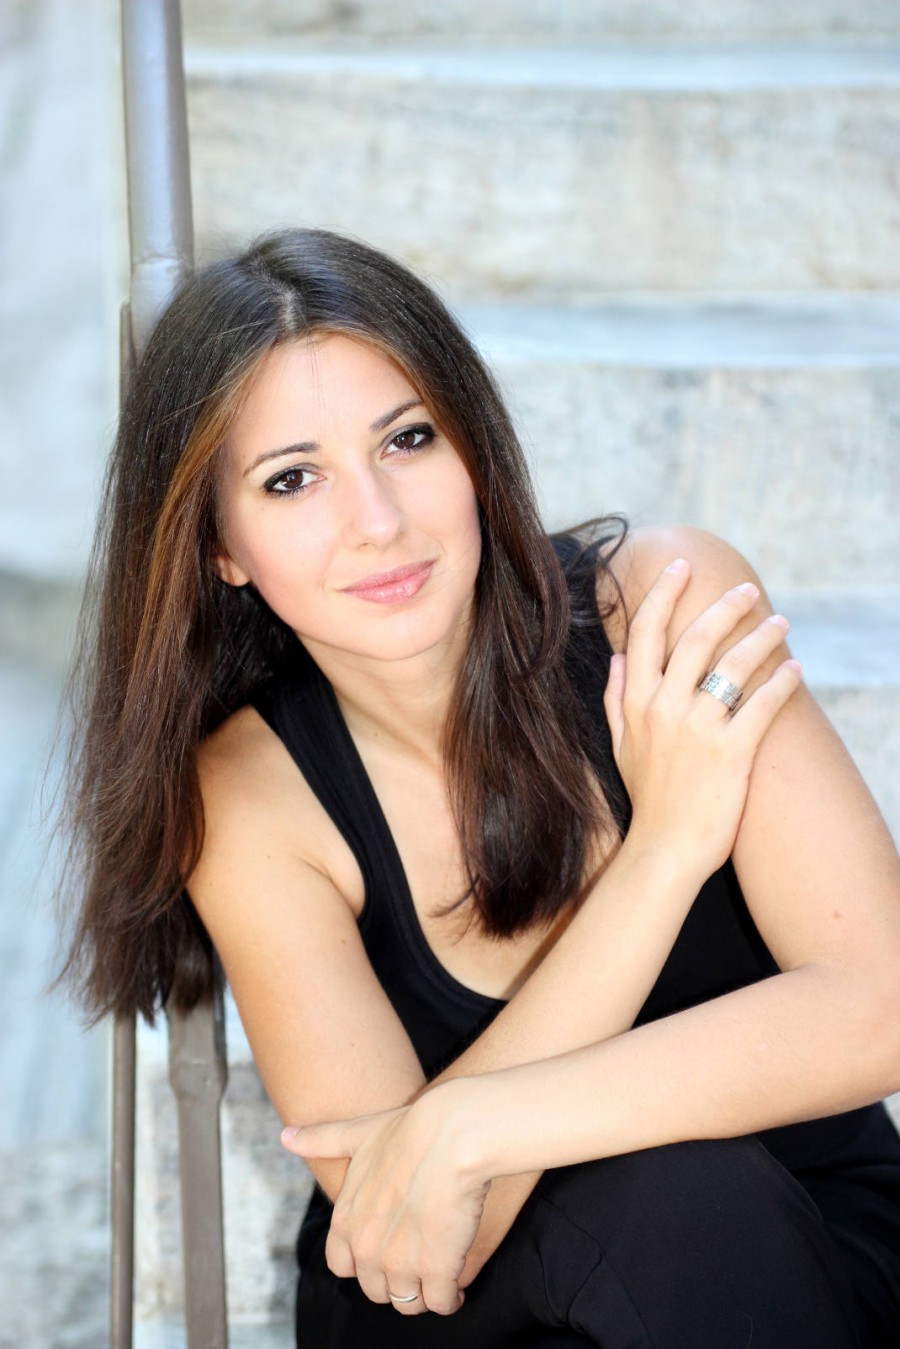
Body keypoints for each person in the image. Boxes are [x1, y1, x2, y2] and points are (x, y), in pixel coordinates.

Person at [62, 228, 900, 1348]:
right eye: (292, 478)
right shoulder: (250, 798)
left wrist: (467, 1126)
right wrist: (664, 853)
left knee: (700, 1202)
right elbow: (412, 1235)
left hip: (816, 1241)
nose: (378, 521)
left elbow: (880, 1005)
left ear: (473, 446)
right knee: (679, 1198)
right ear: (221, 547)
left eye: (407, 438)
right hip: (463, 1308)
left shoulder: (663, 607)